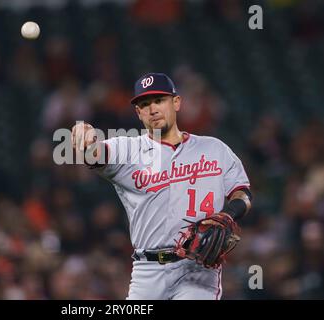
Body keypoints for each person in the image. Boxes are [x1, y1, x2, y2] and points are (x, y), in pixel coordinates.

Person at [71, 73, 252, 300]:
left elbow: (243, 193)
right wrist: (85, 137)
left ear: (176, 102)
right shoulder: (128, 149)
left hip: (198, 271)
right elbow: (96, 154)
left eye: (159, 100)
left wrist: (228, 214)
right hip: (148, 271)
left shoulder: (215, 149)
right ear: (138, 113)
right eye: (145, 104)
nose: (153, 109)